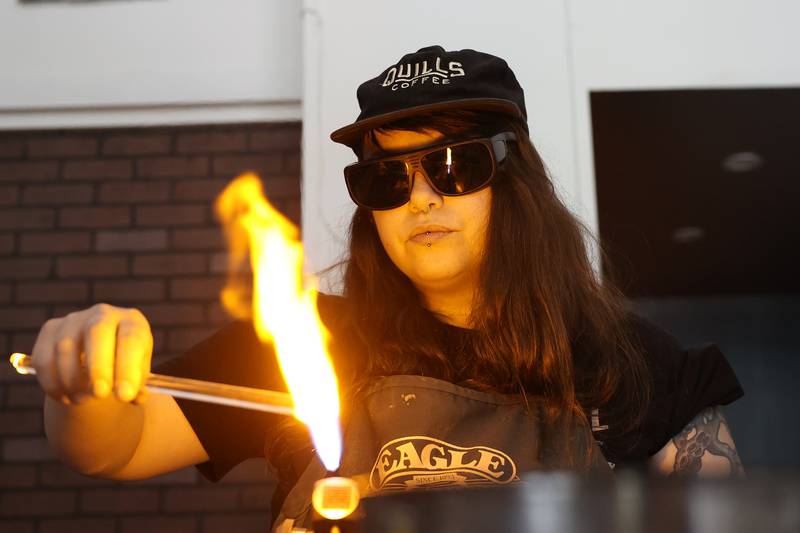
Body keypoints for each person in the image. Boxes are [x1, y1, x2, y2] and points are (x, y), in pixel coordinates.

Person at [30, 46, 744, 529]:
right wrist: (83, 379)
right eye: (387, 177)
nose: (421, 197)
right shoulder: (302, 342)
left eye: (456, 165)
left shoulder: (636, 369)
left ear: (516, 181)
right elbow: (111, 449)